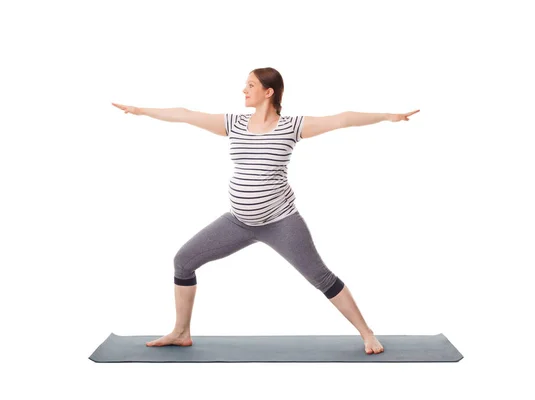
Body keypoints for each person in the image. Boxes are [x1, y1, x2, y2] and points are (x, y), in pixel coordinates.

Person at [112, 67, 419, 355]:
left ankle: (366, 332)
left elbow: (342, 118)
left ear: (269, 92)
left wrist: (388, 116)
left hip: (280, 222)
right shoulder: (233, 123)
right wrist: (141, 111)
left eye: (250, 85)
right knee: (183, 261)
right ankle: (181, 332)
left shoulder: (292, 126)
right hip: (237, 221)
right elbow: (186, 114)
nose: (243, 90)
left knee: (321, 277)